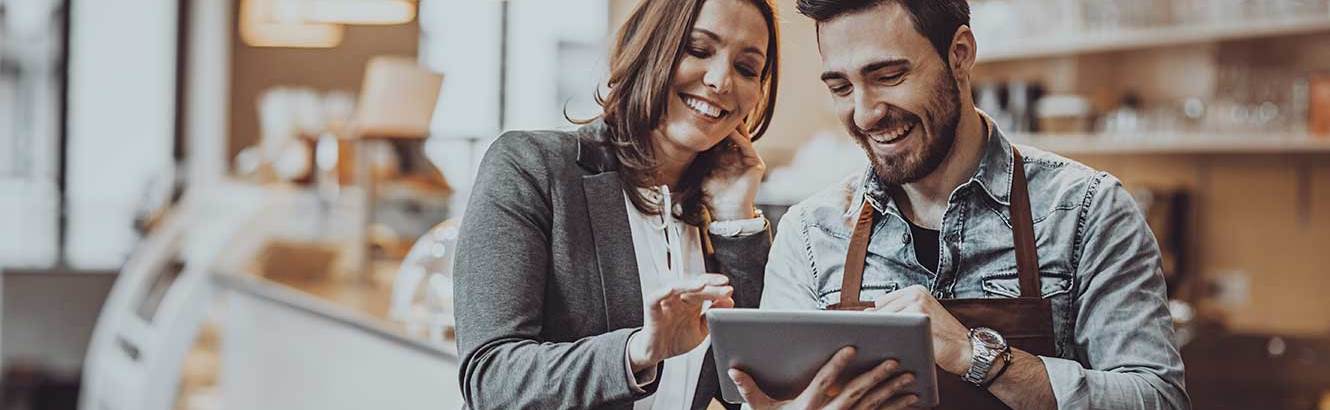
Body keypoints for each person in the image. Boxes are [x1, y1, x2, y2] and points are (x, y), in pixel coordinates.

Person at [735, 1, 1190, 409]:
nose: (865, 112)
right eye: (841, 87)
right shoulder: (811, 234)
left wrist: (977, 356)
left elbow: (1158, 399)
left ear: (960, 53)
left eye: (888, 76)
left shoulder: (1088, 212)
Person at [453, 0, 801, 408]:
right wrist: (638, 351)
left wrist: (735, 217)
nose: (721, 80)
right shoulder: (532, 168)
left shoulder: (724, 214)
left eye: (746, 68)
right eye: (698, 49)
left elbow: (751, 384)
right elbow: (491, 378)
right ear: (648, 47)